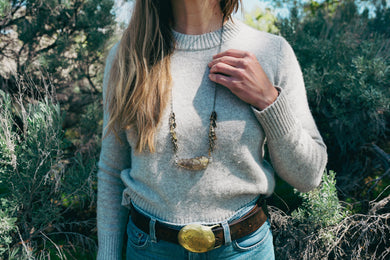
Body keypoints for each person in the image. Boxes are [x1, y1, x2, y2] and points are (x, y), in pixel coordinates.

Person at [97, 0, 328, 259]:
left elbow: (308, 177)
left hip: (244, 250)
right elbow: (111, 170)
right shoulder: (128, 57)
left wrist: (268, 100)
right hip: (149, 248)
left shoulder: (272, 52)